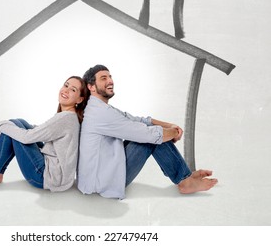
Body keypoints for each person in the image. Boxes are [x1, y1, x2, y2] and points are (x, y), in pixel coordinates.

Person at [77, 64, 218, 199]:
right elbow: (147, 134)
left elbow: (134, 119)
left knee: (153, 132)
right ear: (91, 87)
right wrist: (173, 133)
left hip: (104, 171)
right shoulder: (101, 113)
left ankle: (185, 176)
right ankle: (185, 182)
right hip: (103, 182)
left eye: (110, 77)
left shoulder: (99, 108)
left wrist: (170, 125)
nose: (110, 81)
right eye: (104, 78)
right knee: (151, 137)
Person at [0, 75, 89, 192]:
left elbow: (26, 138)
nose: (66, 90)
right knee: (19, 123)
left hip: (45, 178)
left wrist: (1, 125)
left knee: (12, 129)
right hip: (57, 177)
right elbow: (44, 130)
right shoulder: (70, 117)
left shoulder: (65, 118)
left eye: (73, 89)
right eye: (66, 85)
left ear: (80, 99)